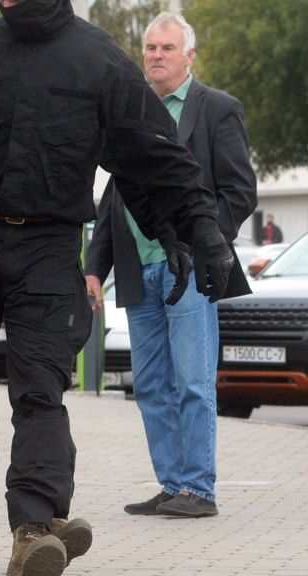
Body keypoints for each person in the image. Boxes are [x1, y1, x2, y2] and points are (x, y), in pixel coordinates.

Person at [0, 1, 237, 575]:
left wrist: (201, 232)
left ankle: (35, 526)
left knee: (39, 390)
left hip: (49, 248)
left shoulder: (100, 60)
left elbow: (153, 156)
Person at [85, 12, 256, 519]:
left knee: (193, 381)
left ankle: (199, 489)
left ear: (189, 55)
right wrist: (95, 265)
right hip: (140, 270)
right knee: (153, 385)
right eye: (150, 48)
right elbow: (116, 195)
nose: (155, 55)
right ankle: (172, 483)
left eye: (166, 47)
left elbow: (239, 192)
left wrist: (204, 243)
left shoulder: (216, 110)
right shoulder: (132, 115)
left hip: (193, 274)